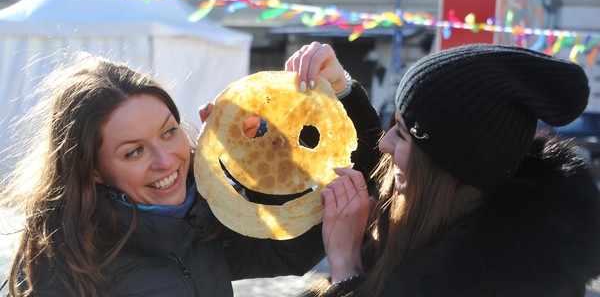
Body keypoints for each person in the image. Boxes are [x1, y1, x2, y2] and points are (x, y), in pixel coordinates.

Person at [0, 42, 382, 296]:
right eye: (134, 152)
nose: (166, 161)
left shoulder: (197, 223)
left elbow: (297, 241)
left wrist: (339, 91)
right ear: (93, 169)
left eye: (169, 132)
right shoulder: (60, 266)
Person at [301, 44, 600, 296]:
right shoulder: (450, 206)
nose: (385, 143)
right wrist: (341, 92)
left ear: (446, 164)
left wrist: (345, 269)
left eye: (402, 133)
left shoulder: (501, 281)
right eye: (393, 124)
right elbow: (377, 170)